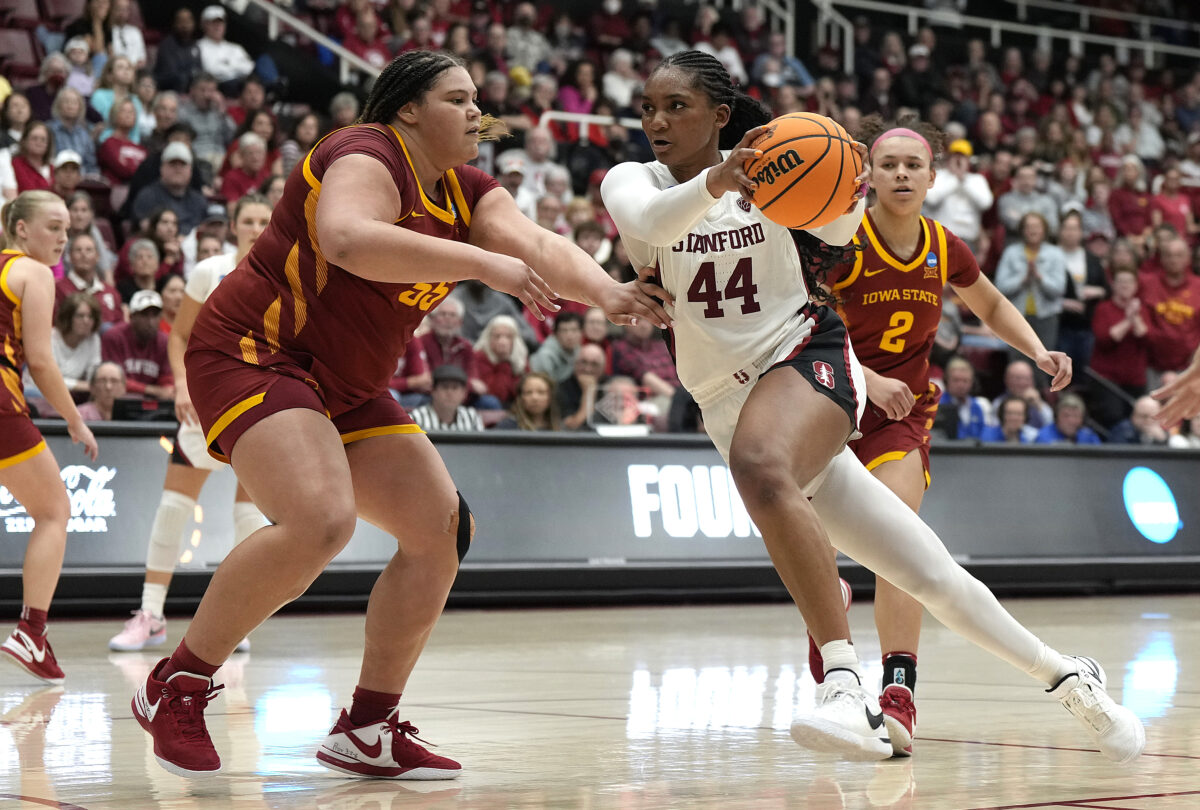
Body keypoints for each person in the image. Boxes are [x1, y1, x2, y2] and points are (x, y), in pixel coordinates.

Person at [131, 50, 668, 779]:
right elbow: (347, 240)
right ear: (409, 108)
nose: (478, 112)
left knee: (441, 531)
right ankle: (180, 685)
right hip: (257, 351)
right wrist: (478, 264)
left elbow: (538, 245)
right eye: (458, 98)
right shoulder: (362, 152)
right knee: (321, 520)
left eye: (479, 99)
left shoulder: (468, 190)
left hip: (348, 384)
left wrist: (608, 294)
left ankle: (367, 725)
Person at [601, 50, 1142, 764]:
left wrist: (845, 188)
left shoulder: (774, 167)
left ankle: (844, 687)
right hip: (722, 399)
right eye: (648, 107)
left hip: (808, 358)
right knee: (933, 577)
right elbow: (654, 220)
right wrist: (718, 181)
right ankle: (1069, 675)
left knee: (761, 467)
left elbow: (831, 234)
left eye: (676, 106)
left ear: (720, 116)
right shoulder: (630, 180)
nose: (657, 120)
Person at [821, 115, 1073, 756]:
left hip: (900, 418)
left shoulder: (944, 244)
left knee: (900, 538)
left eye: (914, 165)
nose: (901, 173)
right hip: (825, 401)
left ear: (933, 178)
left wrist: (1039, 351)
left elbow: (988, 304)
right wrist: (867, 377)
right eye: (889, 164)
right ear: (868, 176)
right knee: (813, 539)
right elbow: (803, 328)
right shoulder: (838, 240)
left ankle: (897, 689)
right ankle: (828, 605)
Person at [108, 195, 272, 653]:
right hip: (209, 398)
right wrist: (182, 386)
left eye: (264, 220)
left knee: (248, 516)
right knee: (174, 508)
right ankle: (151, 613)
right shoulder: (210, 271)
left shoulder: (288, 272)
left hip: (261, 402)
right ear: (233, 226)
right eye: (249, 221)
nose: (257, 228)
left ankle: (237, 619)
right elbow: (179, 334)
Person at [0, 191, 99, 684]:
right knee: (54, 510)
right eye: (54, 227)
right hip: (1, 403)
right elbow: (41, 359)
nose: (64, 237)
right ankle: (30, 630)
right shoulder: (34, 273)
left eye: (68, 228)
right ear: (20, 230)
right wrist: (75, 420)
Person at [100, 289, 174, 402]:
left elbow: (167, 379)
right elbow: (113, 382)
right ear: (131, 316)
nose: (150, 322)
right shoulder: (114, 337)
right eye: (144, 315)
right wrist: (153, 390)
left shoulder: (165, 341)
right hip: (118, 401)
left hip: (153, 404)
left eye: (155, 316)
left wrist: (168, 388)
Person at [409, 364, 484, 431]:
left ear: (464, 393)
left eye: (455, 388)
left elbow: (482, 446)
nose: (449, 393)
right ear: (433, 391)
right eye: (445, 387)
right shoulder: (416, 418)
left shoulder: (472, 417)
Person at [494, 371, 561, 430]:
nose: (534, 398)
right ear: (521, 398)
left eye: (541, 392)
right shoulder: (506, 427)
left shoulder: (560, 428)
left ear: (550, 397)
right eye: (528, 392)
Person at [1035, 393, 1102, 445]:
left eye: (1076, 416)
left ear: (1082, 419)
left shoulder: (1089, 436)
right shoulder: (1043, 437)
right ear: (1057, 417)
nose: (1071, 421)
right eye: (1066, 416)